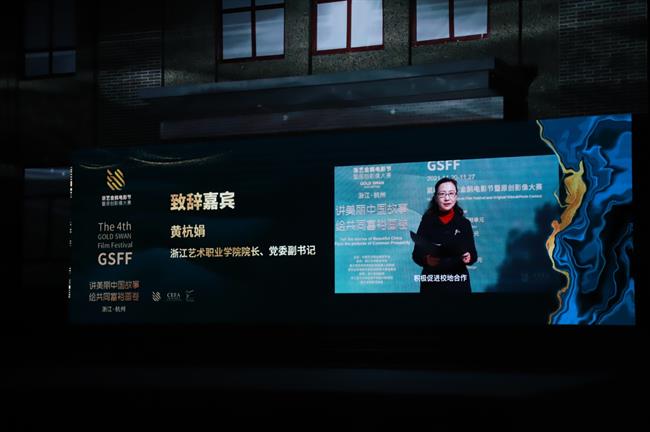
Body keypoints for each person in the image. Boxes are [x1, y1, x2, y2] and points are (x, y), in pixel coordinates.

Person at [412, 177, 478, 294]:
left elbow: (473, 254)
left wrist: (469, 257)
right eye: (442, 194)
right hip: (433, 283)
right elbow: (416, 254)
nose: (447, 198)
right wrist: (427, 260)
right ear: (436, 197)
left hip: (458, 282)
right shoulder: (427, 222)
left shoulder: (464, 223)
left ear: (456, 196)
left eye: (451, 193)